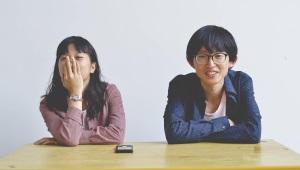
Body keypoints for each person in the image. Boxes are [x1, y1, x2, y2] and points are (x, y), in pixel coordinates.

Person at [164, 25, 261, 144]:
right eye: (202, 56)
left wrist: (194, 134)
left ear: (232, 60)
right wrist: (224, 124)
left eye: (218, 56)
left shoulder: (241, 82)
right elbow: (174, 133)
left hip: (234, 160)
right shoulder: (180, 85)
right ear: (191, 62)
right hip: (191, 159)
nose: (210, 64)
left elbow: (253, 132)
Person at [35, 36, 125, 146]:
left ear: (92, 67)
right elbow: (70, 139)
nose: (70, 63)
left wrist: (65, 137)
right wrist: (75, 92)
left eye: (78, 57)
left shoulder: (110, 92)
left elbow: (117, 135)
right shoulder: (47, 104)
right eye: (64, 58)